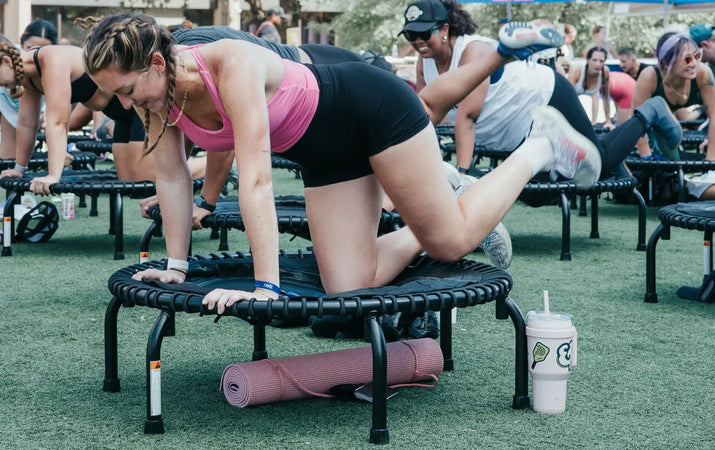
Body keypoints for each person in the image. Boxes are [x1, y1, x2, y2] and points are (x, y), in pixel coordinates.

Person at [82, 13, 607, 315]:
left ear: (155, 63)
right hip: (324, 152)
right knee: (350, 286)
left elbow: (258, 177)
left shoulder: (227, 61)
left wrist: (267, 286)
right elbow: (173, 178)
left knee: (454, 241)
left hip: (368, 109)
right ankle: (433, 216)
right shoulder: (157, 98)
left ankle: (539, 145)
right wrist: (177, 268)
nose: (128, 105)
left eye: (128, 91)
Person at [401, 0, 673, 189]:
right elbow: (426, 119)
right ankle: (561, 146)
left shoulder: (473, 51)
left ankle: (651, 111)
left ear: (445, 28)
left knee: (601, 164)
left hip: (547, 95)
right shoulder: (423, 64)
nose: (417, 41)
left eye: (424, 32)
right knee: (533, 195)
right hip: (517, 129)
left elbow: (468, 117)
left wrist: (462, 175)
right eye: (411, 34)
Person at [0, 39, 158, 191]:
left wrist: (53, 175)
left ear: (7, 61)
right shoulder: (28, 77)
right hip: (120, 119)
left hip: (140, 111)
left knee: (145, 184)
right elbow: (27, 124)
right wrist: (19, 168)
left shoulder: (51, 59)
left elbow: (59, 121)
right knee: (127, 185)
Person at [632, 32, 715, 160]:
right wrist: (646, 158)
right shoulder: (650, 77)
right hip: (656, 123)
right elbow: (637, 124)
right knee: (668, 161)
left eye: (697, 56)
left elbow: (714, 116)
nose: (694, 63)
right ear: (665, 63)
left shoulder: (703, 73)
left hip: (677, 117)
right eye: (687, 59)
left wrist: (711, 161)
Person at [0, 19, 57, 159]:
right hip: (8, 107)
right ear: (21, 44)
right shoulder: (11, 60)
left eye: (42, 50)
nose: (35, 53)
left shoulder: (51, 68)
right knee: (7, 156)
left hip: (35, 111)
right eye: (30, 48)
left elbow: (56, 117)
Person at [568, 46, 613, 128]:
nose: (597, 64)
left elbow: (606, 97)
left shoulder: (605, 72)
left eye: (601, 61)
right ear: (588, 60)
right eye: (594, 60)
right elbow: (569, 99)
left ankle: (593, 122)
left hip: (591, 95)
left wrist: (608, 121)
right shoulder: (576, 71)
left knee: (596, 97)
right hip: (567, 96)